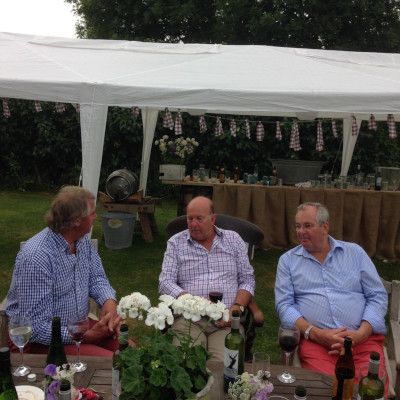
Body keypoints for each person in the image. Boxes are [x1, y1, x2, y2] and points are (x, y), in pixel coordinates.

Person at [275, 202, 388, 390]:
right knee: (326, 390)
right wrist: (316, 333)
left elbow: (377, 296)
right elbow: (284, 306)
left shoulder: (355, 253)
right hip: (319, 345)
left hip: (361, 343)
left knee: (369, 390)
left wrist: (361, 334)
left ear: (325, 227)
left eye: (307, 225)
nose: (300, 231)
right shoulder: (288, 261)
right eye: (297, 226)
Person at [6, 185, 123, 357]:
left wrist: (108, 302)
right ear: (76, 220)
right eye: (92, 213)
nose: (96, 217)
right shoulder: (36, 257)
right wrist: (86, 336)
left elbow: (96, 277)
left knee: (129, 350)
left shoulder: (81, 240)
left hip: (79, 326)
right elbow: (35, 328)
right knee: (111, 362)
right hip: (38, 343)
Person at [159, 196, 255, 361]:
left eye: (199, 218)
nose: (193, 224)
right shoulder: (176, 243)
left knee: (225, 367)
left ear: (213, 219)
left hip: (226, 320)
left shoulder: (233, 240)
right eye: (190, 219)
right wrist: (193, 301)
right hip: (188, 319)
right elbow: (165, 282)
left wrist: (237, 308)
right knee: (187, 362)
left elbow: (247, 279)